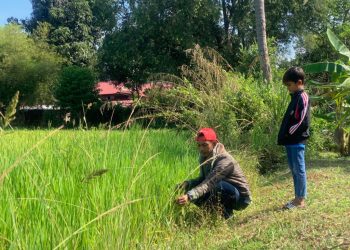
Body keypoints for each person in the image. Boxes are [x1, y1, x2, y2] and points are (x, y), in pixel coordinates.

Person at [176, 128, 251, 219]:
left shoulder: (224, 160)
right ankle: (211, 213)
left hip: (241, 199)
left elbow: (209, 182)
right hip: (223, 189)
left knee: (218, 186)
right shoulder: (205, 157)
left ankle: (227, 215)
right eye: (199, 145)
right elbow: (203, 178)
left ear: (214, 143)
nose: (201, 149)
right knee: (189, 187)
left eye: (205, 145)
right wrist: (188, 183)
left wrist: (189, 196)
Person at [278, 66, 310, 209]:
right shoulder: (295, 97)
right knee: (293, 169)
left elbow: (302, 120)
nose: (288, 88)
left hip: (296, 140)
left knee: (299, 169)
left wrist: (289, 132)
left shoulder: (303, 96)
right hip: (290, 141)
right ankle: (297, 197)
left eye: (289, 85)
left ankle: (300, 200)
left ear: (299, 82)